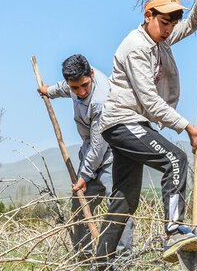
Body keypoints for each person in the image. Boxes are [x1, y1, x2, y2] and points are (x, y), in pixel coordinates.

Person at [96, 0, 197, 267]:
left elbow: (191, 25)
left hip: (135, 123)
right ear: (148, 15)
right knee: (175, 159)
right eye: (164, 22)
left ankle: (100, 265)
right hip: (123, 121)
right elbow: (148, 100)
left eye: (173, 22)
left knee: (125, 199)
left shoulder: (162, 38)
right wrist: (187, 127)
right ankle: (174, 230)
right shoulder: (136, 47)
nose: (170, 28)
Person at [38, 54, 134, 260]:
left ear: (91, 74)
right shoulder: (73, 86)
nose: (81, 92)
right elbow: (63, 89)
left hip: (113, 154)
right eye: (75, 88)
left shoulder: (101, 99)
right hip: (91, 151)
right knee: (81, 203)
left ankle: (122, 258)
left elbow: (100, 145)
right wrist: (48, 91)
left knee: (117, 204)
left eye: (84, 85)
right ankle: (84, 256)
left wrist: (84, 175)